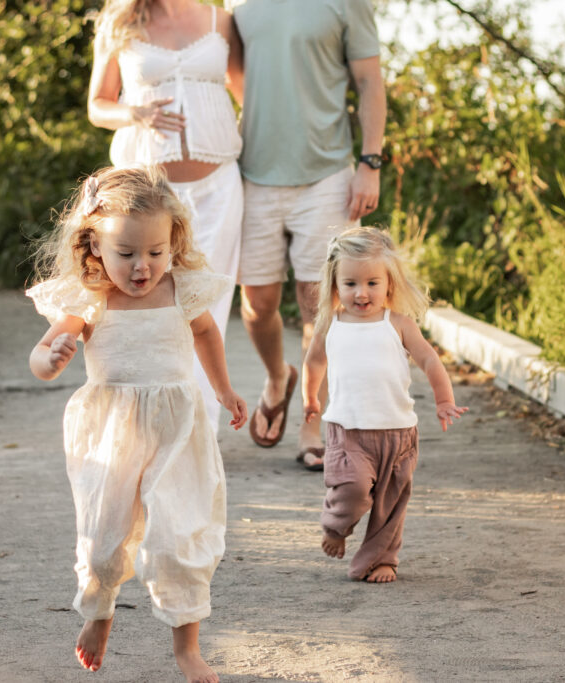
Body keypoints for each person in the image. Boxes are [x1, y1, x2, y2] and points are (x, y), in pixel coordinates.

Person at [27, 166, 247, 681]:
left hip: (177, 431)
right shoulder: (91, 297)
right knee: (105, 539)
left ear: (173, 243)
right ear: (95, 247)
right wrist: (51, 358)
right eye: (125, 253)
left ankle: (187, 649)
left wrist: (223, 389)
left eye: (155, 252)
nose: (142, 266)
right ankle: (98, 613)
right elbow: (40, 357)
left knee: (178, 536)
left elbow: (208, 335)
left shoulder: (183, 289)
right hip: (111, 433)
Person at [228, 0, 387, 470]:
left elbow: (369, 82)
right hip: (254, 173)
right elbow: (237, 77)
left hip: (328, 176)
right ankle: (278, 378)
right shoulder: (238, 3)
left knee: (322, 303)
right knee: (257, 305)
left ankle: (313, 420)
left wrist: (370, 163)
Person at [88, 0, 244, 434]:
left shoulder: (222, 20)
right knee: (150, 304)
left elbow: (247, 95)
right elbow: (97, 105)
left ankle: (198, 431)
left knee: (206, 304)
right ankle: (146, 423)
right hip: (146, 196)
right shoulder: (118, 21)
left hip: (218, 188)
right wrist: (135, 113)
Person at [301, 227, 468, 583]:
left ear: (389, 283)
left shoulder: (400, 325)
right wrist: (310, 396)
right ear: (335, 284)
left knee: (391, 503)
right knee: (353, 488)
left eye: (372, 283)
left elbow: (430, 361)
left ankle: (380, 560)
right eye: (350, 284)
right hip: (348, 430)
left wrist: (444, 399)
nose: (361, 293)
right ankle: (336, 525)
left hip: (397, 431)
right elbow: (314, 362)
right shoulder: (330, 324)